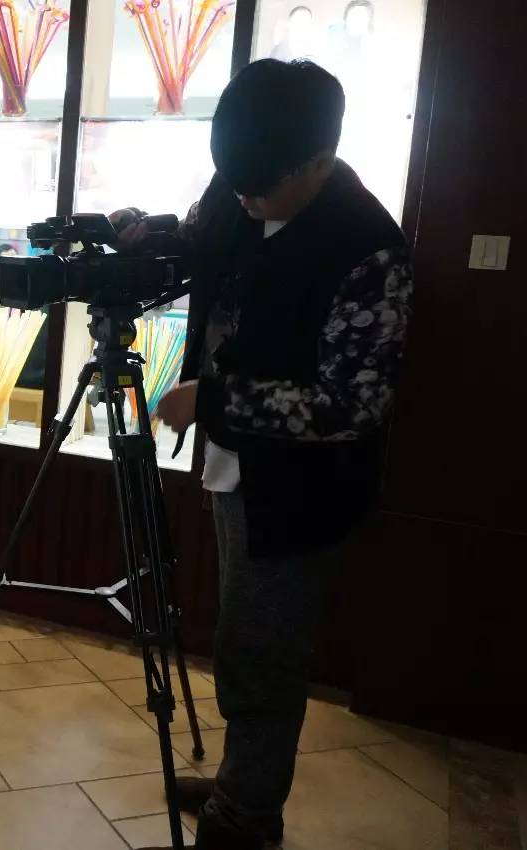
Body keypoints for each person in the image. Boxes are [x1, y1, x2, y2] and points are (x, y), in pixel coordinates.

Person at [117, 60, 414, 850]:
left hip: (302, 492)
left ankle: (246, 821)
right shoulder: (244, 182)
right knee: (241, 642)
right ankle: (243, 784)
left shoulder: (368, 248)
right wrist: (145, 235)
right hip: (236, 467)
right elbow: (204, 243)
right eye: (233, 179)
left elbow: (354, 406)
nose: (243, 198)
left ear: (318, 160)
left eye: (259, 188)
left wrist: (215, 401)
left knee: (263, 656)